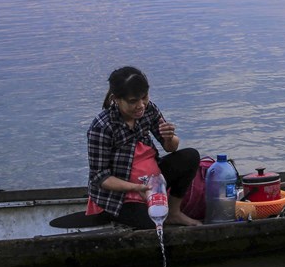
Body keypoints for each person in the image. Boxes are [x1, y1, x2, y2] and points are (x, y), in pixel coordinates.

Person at [86, 66, 202, 228]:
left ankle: (174, 213)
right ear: (116, 99)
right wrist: (136, 188)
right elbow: (100, 177)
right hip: (120, 196)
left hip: (152, 183)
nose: (141, 105)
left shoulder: (149, 110)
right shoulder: (102, 127)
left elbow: (170, 148)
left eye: (144, 97)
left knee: (190, 156)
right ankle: (122, 214)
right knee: (151, 224)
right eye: (133, 101)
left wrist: (170, 138)